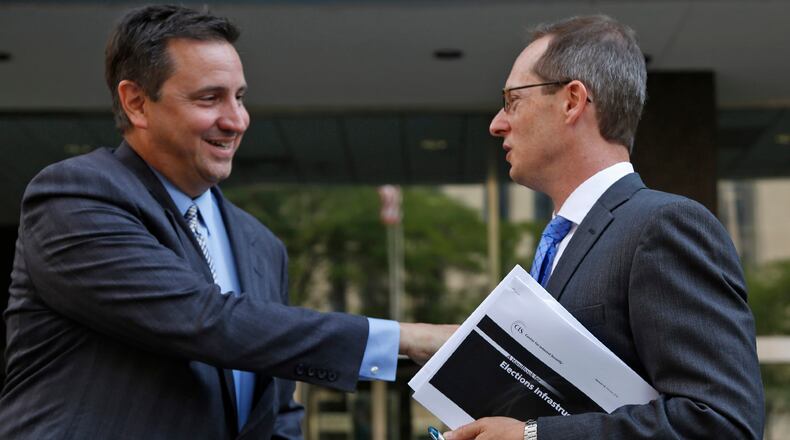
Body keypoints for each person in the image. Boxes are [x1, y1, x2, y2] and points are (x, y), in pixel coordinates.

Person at [0, 5, 453, 439]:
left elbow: (277, 405)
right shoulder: (74, 197)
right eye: (209, 98)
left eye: (239, 97)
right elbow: (203, 321)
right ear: (136, 102)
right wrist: (407, 337)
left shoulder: (260, 244)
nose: (236, 121)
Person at [443, 15, 764, 440]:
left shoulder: (663, 226)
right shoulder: (563, 242)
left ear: (572, 101)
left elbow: (723, 423)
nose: (497, 123)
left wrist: (531, 437)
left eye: (512, 100)